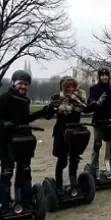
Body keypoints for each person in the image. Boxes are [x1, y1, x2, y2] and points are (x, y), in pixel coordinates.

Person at [0, 70, 49, 212]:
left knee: (25, 172)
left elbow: (25, 119)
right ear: (13, 83)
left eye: (26, 84)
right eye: (20, 83)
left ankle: (25, 202)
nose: (23, 86)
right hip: (6, 142)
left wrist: (42, 112)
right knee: (7, 172)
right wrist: (4, 124)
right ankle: (5, 204)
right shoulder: (4, 98)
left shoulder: (25, 100)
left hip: (23, 141)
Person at [46, 76, 98, 195]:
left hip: (75, 132)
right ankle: (59, 185)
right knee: (62, 160)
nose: (70, 89)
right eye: (67, 87)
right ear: (63, 88)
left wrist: (95, 104)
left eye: (73, 86)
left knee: (74, 160)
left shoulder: (79, 99)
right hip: (61, 132)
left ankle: (74, 185)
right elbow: (48, 116)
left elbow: (87, 109)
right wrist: (51, 106)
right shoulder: (59, 100)